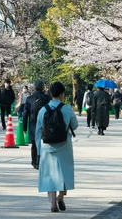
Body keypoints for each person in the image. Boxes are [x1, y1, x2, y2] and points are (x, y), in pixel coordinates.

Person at [35, 82, 78, 213]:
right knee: (64, 173)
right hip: (64, 146)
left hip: (47, 146)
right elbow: (75, 125)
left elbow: (38, 132)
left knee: (49, 175)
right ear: (61, 94)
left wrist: (38, 150)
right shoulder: (67, 109)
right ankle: (61, 196)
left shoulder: (43, 110)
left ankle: (53, 203)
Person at [23, 80, 51, 169]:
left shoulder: (29, 99)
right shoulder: (47, 98)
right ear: (43, 87)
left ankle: (34, 162)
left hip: (33, 124)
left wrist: (24, 127)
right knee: (44, 143)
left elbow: (25, 114)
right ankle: (42, 161)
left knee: (34, 144)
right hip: (45, 124)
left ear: (34, 87)